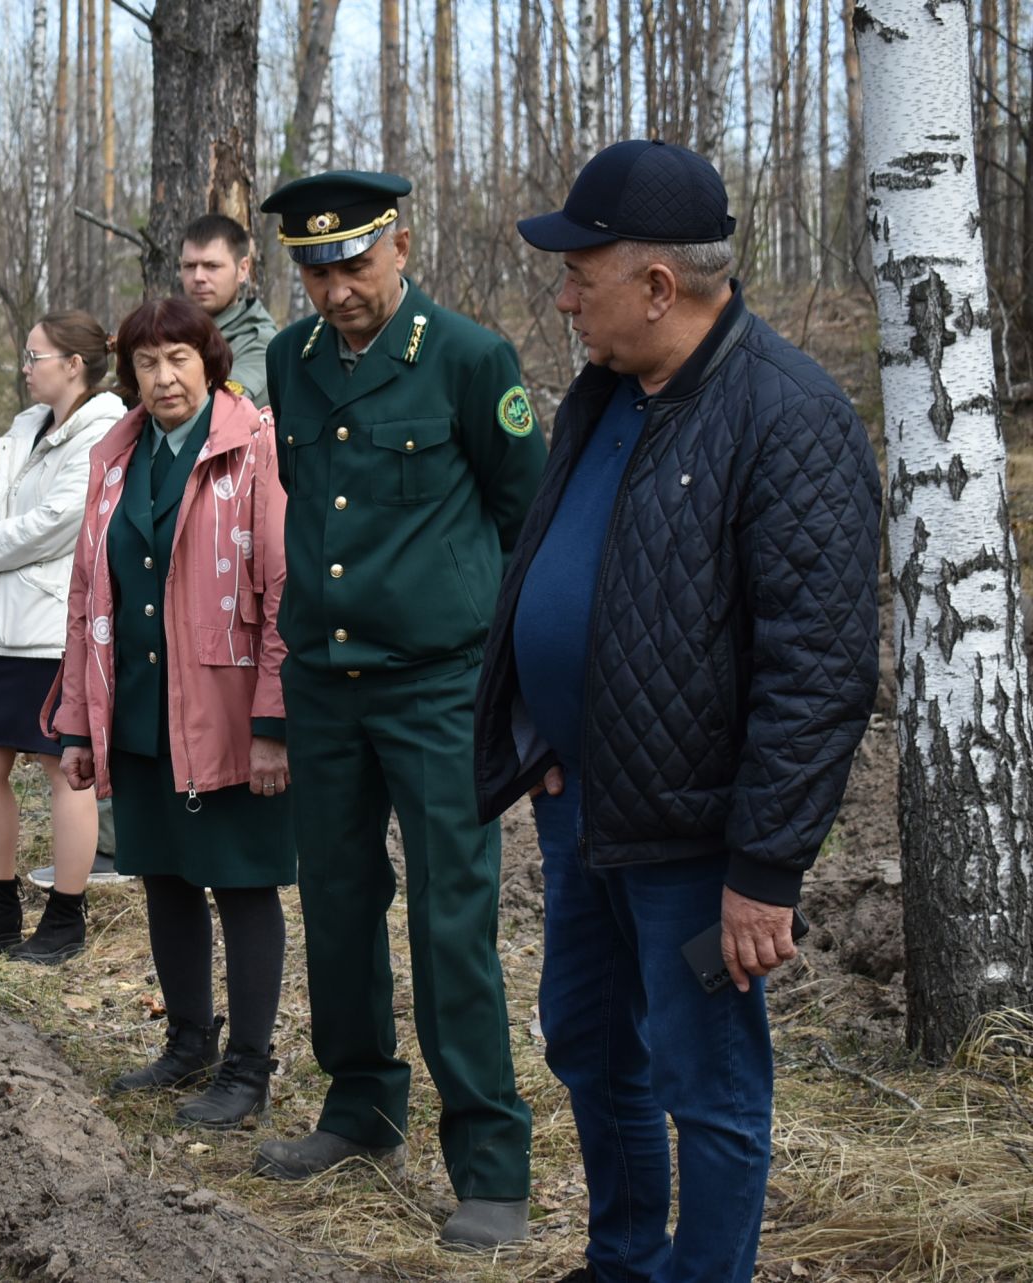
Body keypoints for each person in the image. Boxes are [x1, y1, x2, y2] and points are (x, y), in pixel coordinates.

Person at [478, 140, 881, 1283]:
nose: (562, 297)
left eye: (581, 273)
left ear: (660, 285)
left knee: (706, 1079)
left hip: (702, 844)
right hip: (584, 806)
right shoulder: (602, 397)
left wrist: (764, 864)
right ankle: (621, 1260)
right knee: (591, 1045)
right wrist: (538, 730)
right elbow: (562, 575)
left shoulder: (788, 416)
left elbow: (820, 665)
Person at [250, 169, 546, 1252]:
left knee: (448, 919)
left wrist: (524, 690)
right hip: (326, 681)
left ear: (403, 247)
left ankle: (490, 1158)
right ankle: (361, 1105)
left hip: (438, 687)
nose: (334, 290)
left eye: (353, 264)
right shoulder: (291, 362)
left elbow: (528, 524)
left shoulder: (469, 359)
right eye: (313, 270)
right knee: (333, 899)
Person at [52, 297, 292, 1128]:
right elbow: (90, 592)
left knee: (242, 879)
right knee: (164, 875)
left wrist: (273, 723)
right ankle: (189, 1039)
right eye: (148, 363)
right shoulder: (116, 457)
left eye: (180, 357)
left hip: (226, 711)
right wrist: (80, 721)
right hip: (141, 709)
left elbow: (281, 589)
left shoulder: (252, 444)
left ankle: (249, 1066)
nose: (164, 377)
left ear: (210, 360)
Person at [0, 310, 125, 965]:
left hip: (56, 628)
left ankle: (65, 917)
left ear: (74, 364)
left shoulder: (105, 430)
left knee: (61, 769)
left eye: (35, 354)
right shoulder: (22, 428)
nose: (24, 365)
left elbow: (53, 525)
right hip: (2, 627)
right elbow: (4, 518)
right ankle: (0, 908)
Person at [179, 213, 279, 408]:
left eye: (212, 266)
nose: (198, 277)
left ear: (242, 269)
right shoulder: (170, 327)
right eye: (189, 266)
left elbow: (218, 410)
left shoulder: (258, 341)